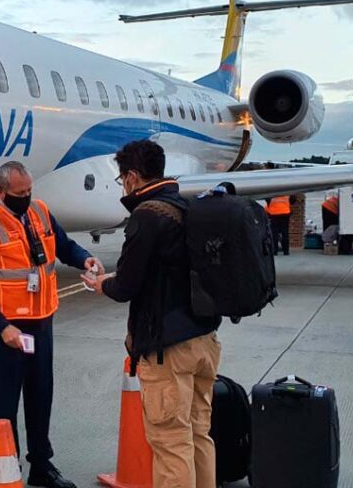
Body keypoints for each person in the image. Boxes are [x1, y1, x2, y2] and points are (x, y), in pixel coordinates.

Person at [83, 140, 221, 488]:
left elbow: (126, 286)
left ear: (132, 176)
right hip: (204, 338)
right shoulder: (185, 205)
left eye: (121, 179)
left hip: (168, 348)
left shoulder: (147, 216)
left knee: (171, 443)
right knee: (199, 434)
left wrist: (102, 284)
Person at [0, 161, 103, 488]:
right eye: (18, 193)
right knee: (6, 403)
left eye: (28, 191)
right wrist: (1, 326)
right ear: (0, 192)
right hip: (10, 330)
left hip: (42, 324)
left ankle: (41, 465)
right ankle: (6, 467)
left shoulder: (39, 211)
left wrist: (84, 257)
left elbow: (64, 245)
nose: (25, 197)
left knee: (41, 398)